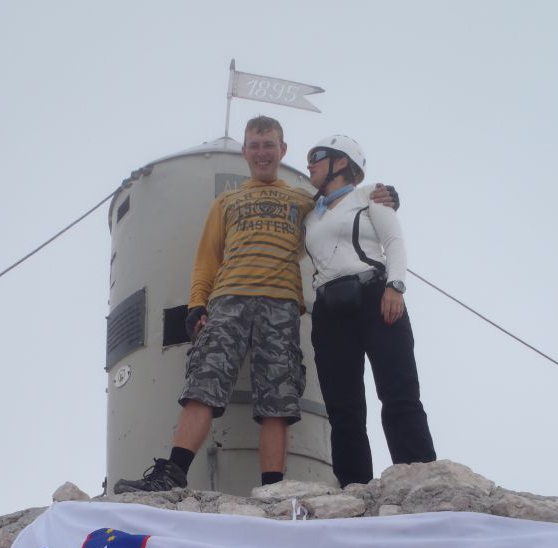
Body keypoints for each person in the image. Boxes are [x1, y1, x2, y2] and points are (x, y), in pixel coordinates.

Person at [114, 118, 395, 494]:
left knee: (277, 398)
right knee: (203, 385)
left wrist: (384, 195)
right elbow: (207, 258)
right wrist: (198, 303)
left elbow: (346, 202)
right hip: (228, 300)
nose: (262, 152)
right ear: (245, 152)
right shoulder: (226, 201)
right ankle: (172, 473)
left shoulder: (304, 202)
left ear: (282, 150)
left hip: (281, 305)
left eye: (269, 144)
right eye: (256, 145)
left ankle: (272, 489)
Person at [303, 135, 436, 487]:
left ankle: (418, 478)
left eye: (317, 156)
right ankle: (352, 488)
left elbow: (393, 241)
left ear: (342, 163)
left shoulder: (370, 195)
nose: (309, 163)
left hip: (374, 295)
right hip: (329, 310)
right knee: (343, 406)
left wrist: (396, 285)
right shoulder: (309, 215)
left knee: (398, 390)